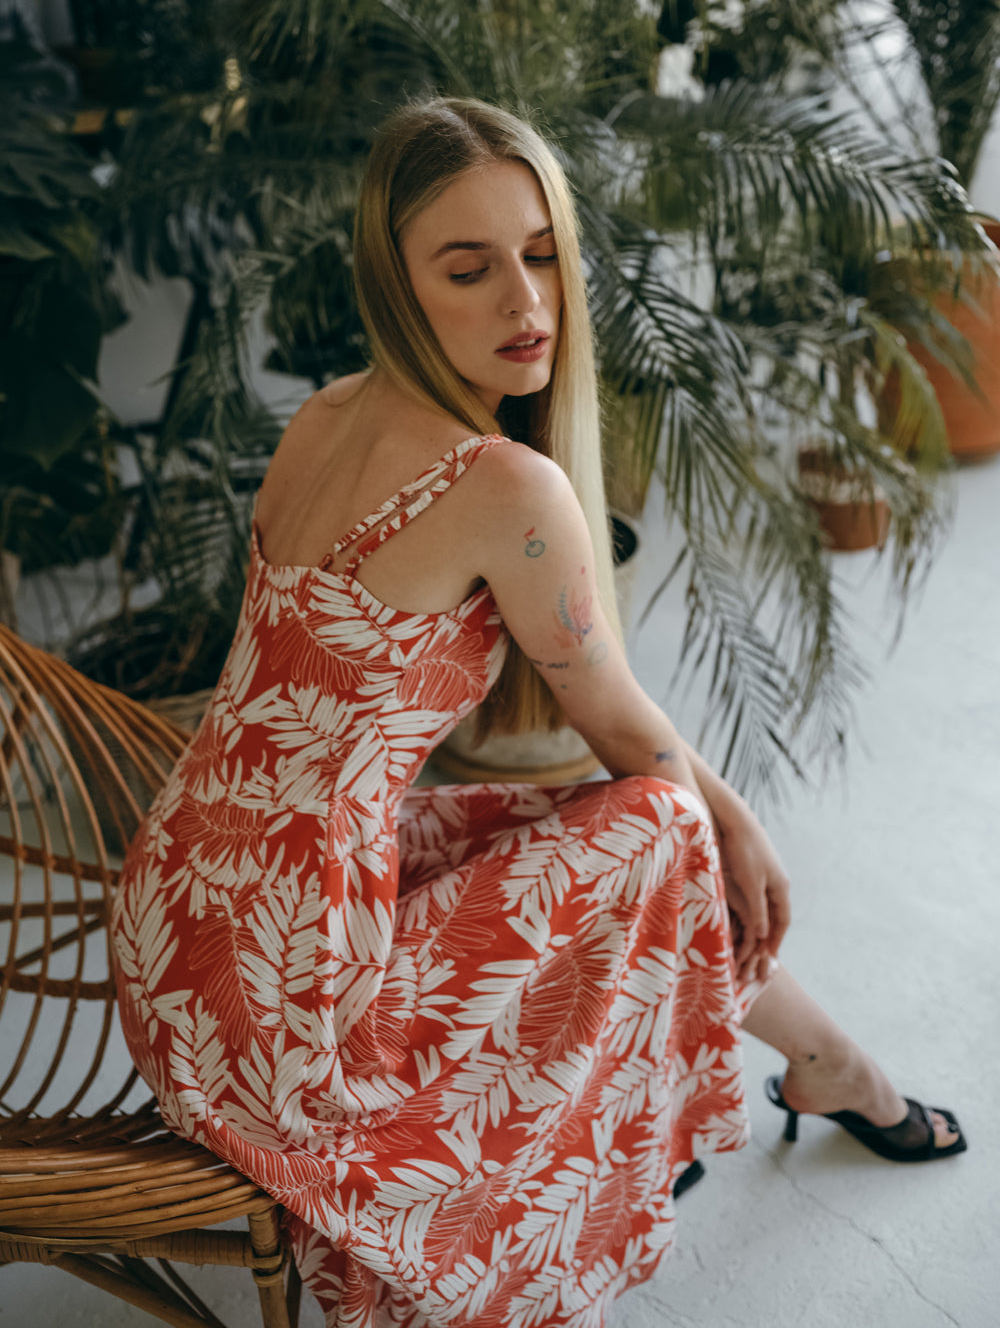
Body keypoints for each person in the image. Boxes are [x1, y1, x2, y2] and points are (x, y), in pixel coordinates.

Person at [112, 96, 965, 1328]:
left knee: (610, 826)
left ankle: (828, 1060)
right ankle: (837, 1069)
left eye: (543, 253)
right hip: (295, 1006)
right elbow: (623, 730)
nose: (524, 301)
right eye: (468, 269)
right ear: (397, 286)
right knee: (664, 828)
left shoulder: (327, 411)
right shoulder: (506, 484)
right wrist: (739, 826)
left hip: (176, 925)